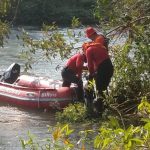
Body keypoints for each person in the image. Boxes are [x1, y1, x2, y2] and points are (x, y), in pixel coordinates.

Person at [82, 41, 114, 115]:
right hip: (110, 68)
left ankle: (100, 111)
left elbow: (90, 66)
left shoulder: (89, 50)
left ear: (84, 48)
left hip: (103, 69)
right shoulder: (99, 47)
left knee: (100, 90)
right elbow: (99, 62)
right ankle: (106, 107)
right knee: (104, 89)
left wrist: (91, 74)